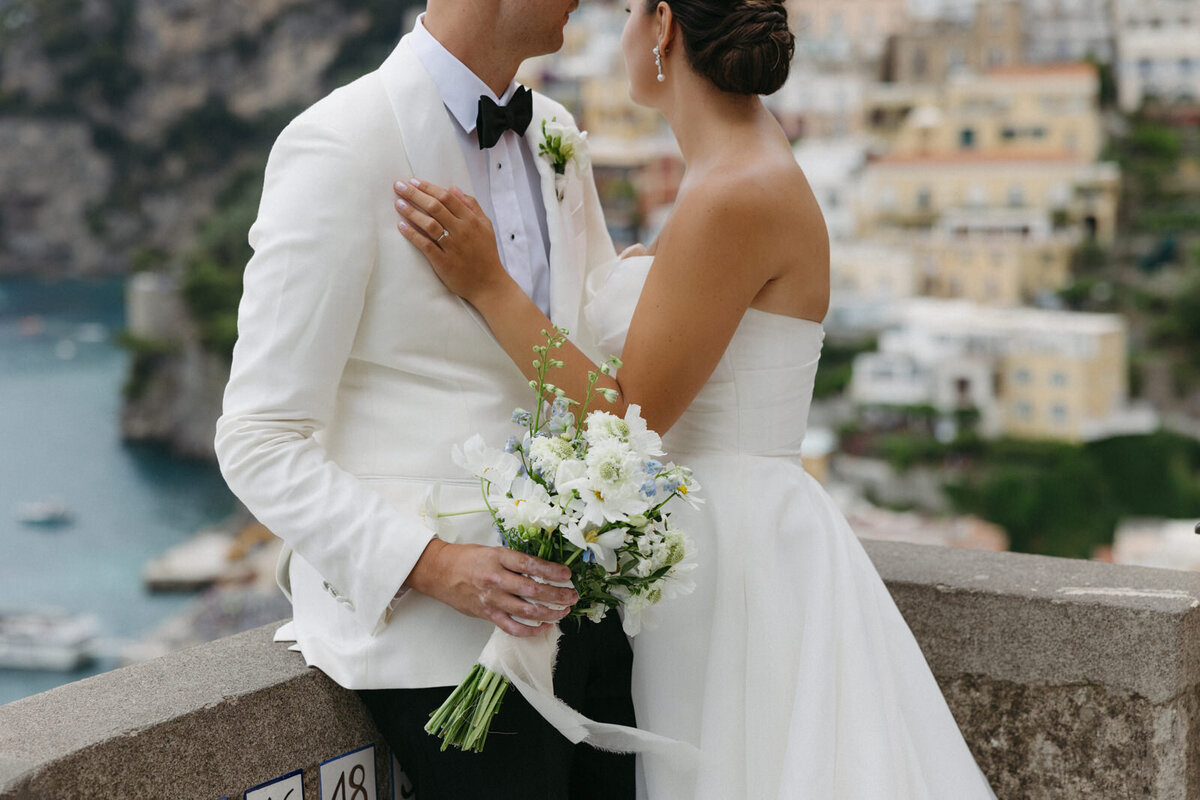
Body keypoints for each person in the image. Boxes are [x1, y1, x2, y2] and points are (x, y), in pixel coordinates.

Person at [390, 0, 1000, 796]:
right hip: (733, 538)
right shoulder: (740, 170)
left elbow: (625, 413)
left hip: (737, 556)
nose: (611, 27)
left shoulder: (733, 193)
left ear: (665, 26)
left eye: (631, 10)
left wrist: (488, 284)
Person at [213, 1, 640, 798]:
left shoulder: (555, 132)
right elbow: (259, 437)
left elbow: (585, 349)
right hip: (441, 652)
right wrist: (433, 565)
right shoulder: (338, 144)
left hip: (590, 615)